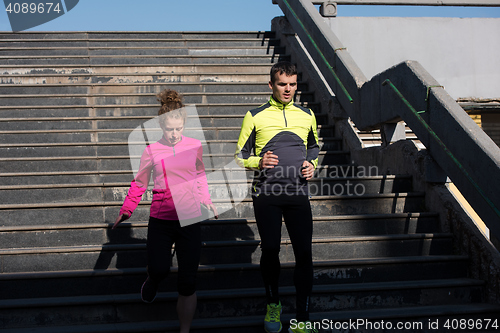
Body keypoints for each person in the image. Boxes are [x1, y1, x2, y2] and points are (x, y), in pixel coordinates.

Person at [113, 89, 218, 333]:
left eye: (178, 129)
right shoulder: (151, 150)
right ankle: (153, 279)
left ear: (184, 125)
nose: (174, 134)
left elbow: (200, 175)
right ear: (161, 126)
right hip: (161, 218)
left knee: (188, 281)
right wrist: (127, 209)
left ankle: (184, 329)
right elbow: (140, 183)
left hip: (190, 217)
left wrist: (206, 199)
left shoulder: (194, 146)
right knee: (160, 269)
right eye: (169, 129)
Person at [235, 61, 319, 333]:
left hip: (297, 193)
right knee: (270, 249)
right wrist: (258, 162)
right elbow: (239, 156)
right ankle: (273, 304)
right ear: (271, 85)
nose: (288, 89)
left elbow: (314, 147)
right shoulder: (255, 115)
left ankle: (303, 316)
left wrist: (312, 165)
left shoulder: (307, 115)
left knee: (304, 253)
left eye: (292, 84)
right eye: (282, 84)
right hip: (267, 194)